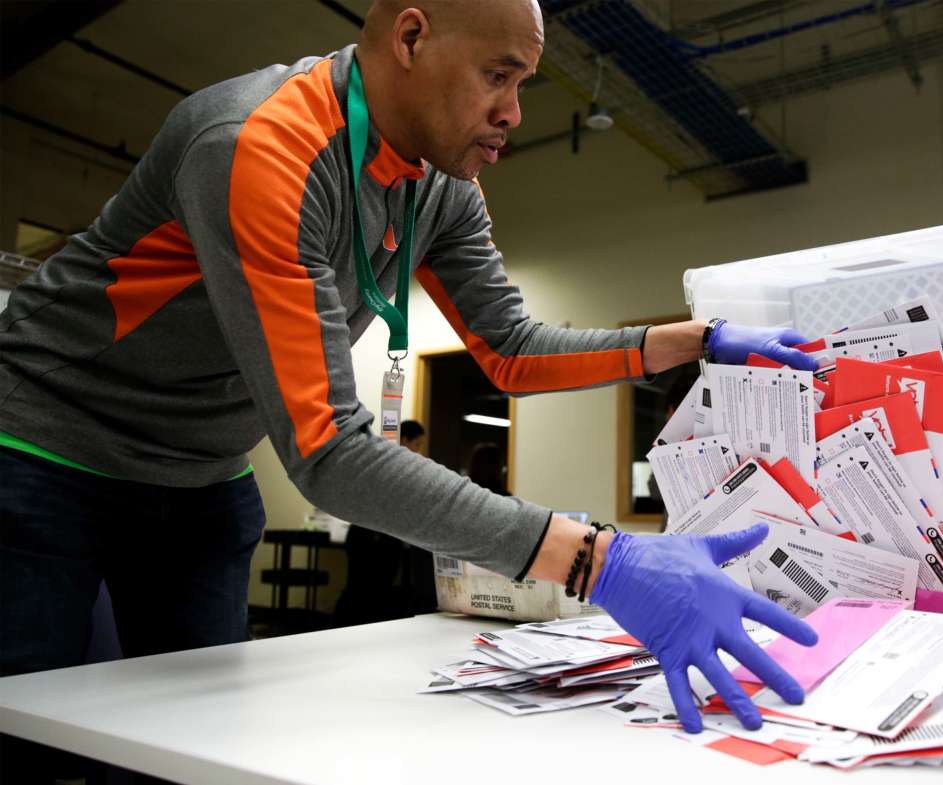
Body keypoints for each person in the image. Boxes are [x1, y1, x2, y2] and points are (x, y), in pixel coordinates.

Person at [0, 3, 820, 771]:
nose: (514, 113)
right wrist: (598, 561)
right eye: (498, 76)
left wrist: (692, 343)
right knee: (30, 727)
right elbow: (327, 450)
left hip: (201, 472)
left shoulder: (442, 186)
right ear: (412, 37)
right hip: (46, 438)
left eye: (522, 85)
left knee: (191, 747)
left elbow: (511, 350)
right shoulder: (257, 143)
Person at [334, 419, 431, 625]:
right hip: (374, 537)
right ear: (404, 440)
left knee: (362, 591)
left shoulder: (380, 460)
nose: (420, 451)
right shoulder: (395, 465)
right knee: (367, 593)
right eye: (418, 444)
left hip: (368, 535)